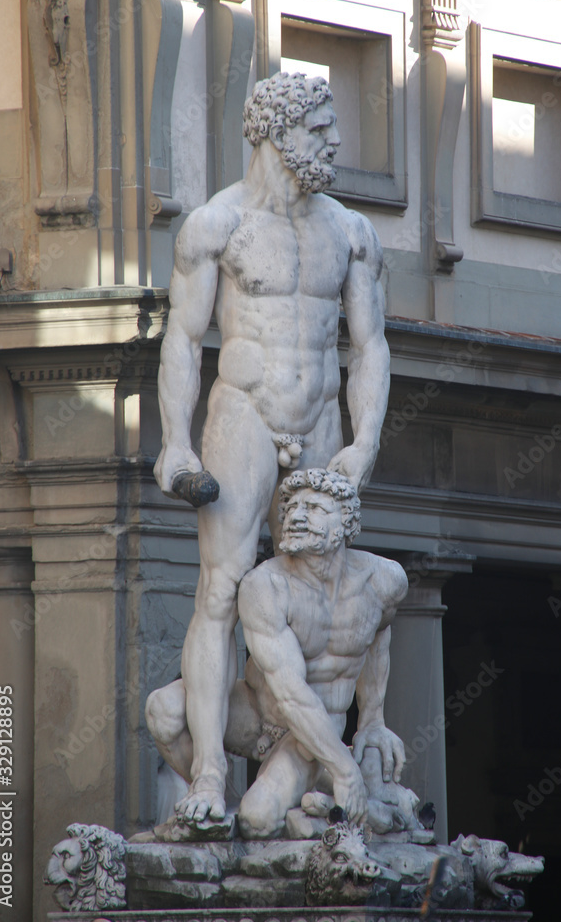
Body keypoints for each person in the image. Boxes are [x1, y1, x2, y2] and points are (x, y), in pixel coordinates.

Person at [153, 71, 390, 824]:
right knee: (220, 591)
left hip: (321, 414)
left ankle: (318, 763)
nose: (335, 141)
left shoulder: (351, 232)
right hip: (244, 414)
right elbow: (184, 342)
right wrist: (174, 446)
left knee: (325, 583)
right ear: (275, 132)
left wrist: (365, 443)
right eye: (320, 128)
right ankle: (208, 778)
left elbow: (371, 346)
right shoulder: (215, 226)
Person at [146, 469, 409, 837]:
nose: (298, 516)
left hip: (317, 725)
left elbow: (379, 631)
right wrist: (346, 771)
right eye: (292, 508)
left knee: (260, 819)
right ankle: (223, 812)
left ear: (346, 522)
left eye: (315, 507)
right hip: (259, 708)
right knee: (164, 709)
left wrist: (373, 720)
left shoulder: (385, 580)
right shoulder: (265, 585)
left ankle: (309, 800)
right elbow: (289, 693)